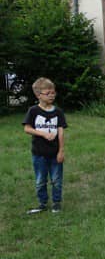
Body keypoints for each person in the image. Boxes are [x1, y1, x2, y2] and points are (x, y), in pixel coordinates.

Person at [22, 77, 68, 214]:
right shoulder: (33, 111)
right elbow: (27, 128)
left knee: (56, 180)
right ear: (38, 95)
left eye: (53, 93)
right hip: (39, 154)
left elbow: (61, 132)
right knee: (40, 180)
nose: (52, 95)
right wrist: (42, 134)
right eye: (48, 93)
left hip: (55, 154)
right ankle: (42, 203)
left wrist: (61, 151)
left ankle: (56, 202)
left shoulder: (58, 112)